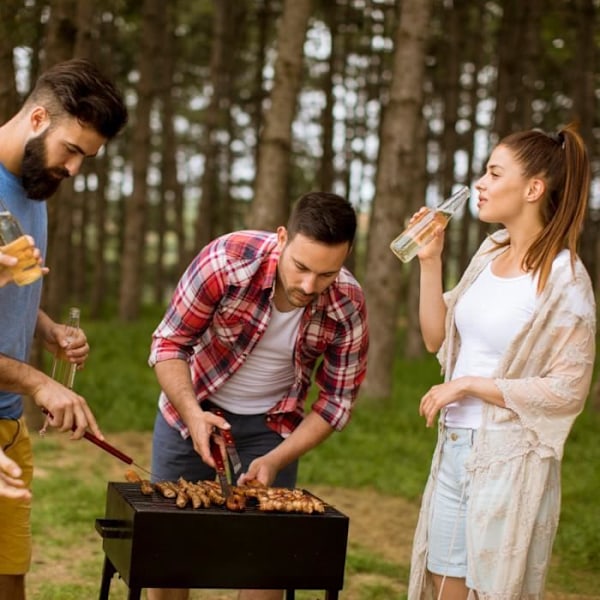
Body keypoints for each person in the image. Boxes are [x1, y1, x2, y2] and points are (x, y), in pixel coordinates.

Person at [148, 191, 369, 600]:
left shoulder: (348, 303)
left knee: (268, 561)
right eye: (301, 267)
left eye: (326, 274)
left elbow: (336, 402)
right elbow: (169, 344)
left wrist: (275, 458)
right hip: (192, 409)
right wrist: (194, 414)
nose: (309, 285)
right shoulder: (227, 261)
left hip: (275, 426)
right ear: (282, 237)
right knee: (168, 552)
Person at [407, 123, 596, 600]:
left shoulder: (565, 279)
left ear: (533, 189)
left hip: (510, 457)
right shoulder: (489, 254)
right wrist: (431, 260)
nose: (481, 184)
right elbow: (437, 338)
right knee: (443, 584)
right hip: (453, 447)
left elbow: (567, 389)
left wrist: (469, 385)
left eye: (494, 173)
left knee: (490, 591)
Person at [0, 58, 128, 600]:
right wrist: (36, 382)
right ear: (36, 119)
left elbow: (17, 283)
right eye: (72, 149)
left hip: (7, 424)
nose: (75, 169)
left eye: (87, 158)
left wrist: (45, 328)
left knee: (10, 577)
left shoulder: (32, 189)